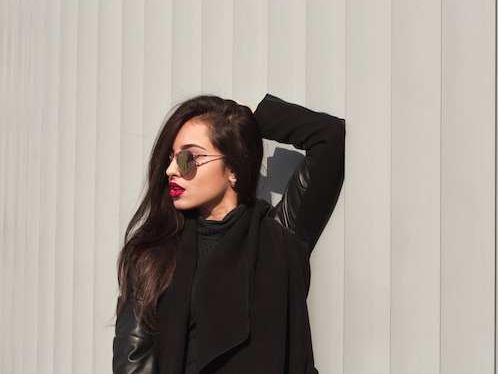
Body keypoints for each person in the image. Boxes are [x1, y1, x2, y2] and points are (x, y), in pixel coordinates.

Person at [113, 94, 345, 374]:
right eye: (171, 157)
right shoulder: (154, 254)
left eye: (188, 158)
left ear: (233, 167)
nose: (171, 170)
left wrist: (247, 118)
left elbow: (328, 137)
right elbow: (133, 362)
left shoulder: (281, 233)